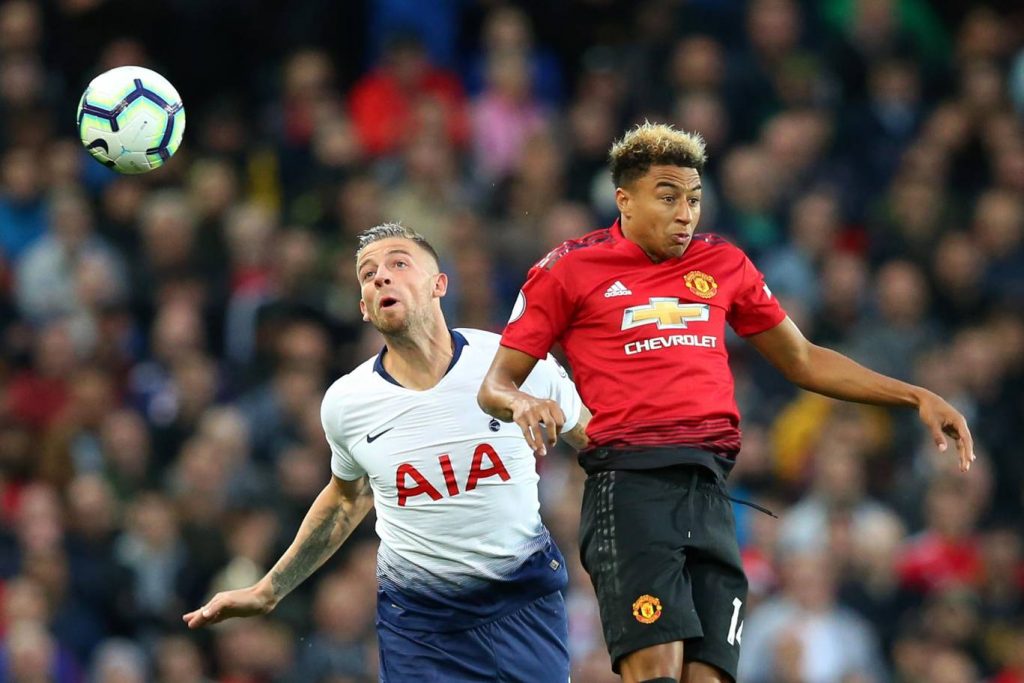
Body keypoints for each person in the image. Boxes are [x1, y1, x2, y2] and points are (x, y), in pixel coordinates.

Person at [477, 122, 974, 683]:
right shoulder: (568, 268)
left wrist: (915, 395)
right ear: (625, 200)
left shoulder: (724, 264)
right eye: (667, 198)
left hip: (713, 498)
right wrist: (521, 403)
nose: (685, 213)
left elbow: (804, 360)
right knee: (657, 673)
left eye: (693, 199)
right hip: (631, 491)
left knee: (711, 675)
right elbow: (494, 384)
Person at [184, 223, 590, 682]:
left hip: (521, 605)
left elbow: (599, 446)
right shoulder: (347, 403)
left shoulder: (513, 361)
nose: (380, 277)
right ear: (363, 308)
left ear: (440, 284)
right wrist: (269, 590)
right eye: (368, 273)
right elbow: (345, 499)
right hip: (419, 623)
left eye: (399, 263)